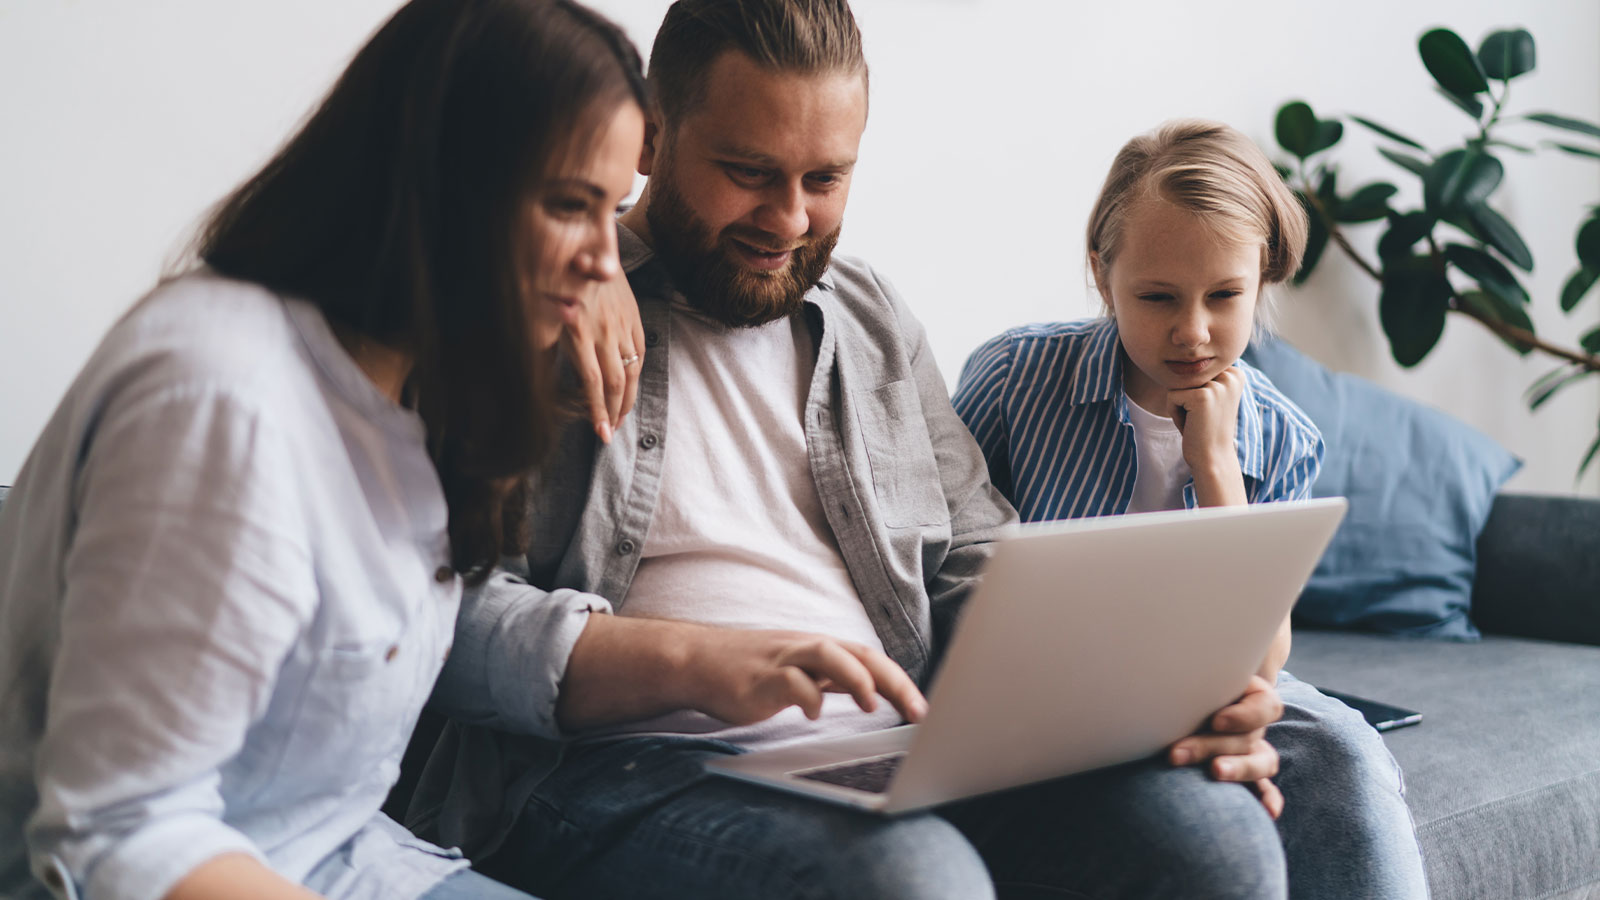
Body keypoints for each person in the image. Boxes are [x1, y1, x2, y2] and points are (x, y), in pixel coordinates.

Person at [401, 3, 1417, 899]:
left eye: (825, 178)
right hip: (623, 769)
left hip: (894, 747)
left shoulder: (871, 317)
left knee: (1217, 836)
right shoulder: (540, 298)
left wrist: (1137, 692)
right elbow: (431, 618)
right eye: (748, 174)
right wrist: (704, 664)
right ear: (652, 140)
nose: (789, 221)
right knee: (911, 881)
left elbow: (975, 553)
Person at [0, 1, 648, 898]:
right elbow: (121, 836)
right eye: (570, 207)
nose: (606, 263)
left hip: (342, 858)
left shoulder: (412, 382)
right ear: (444, 182)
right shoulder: (221, 396)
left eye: (615, 211)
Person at [952, 120, 1429, 896]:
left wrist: (1215, 462)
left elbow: (1264, 657)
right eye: (1157, 297)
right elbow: (939, 545)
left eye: (1225, 296)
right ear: (1104, 275)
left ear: (1263, 280)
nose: (1193, 331)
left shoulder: (1278, 431)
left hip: (1210, 683)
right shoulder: (1015, 380)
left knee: (1341, 746)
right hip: (1048, 683)